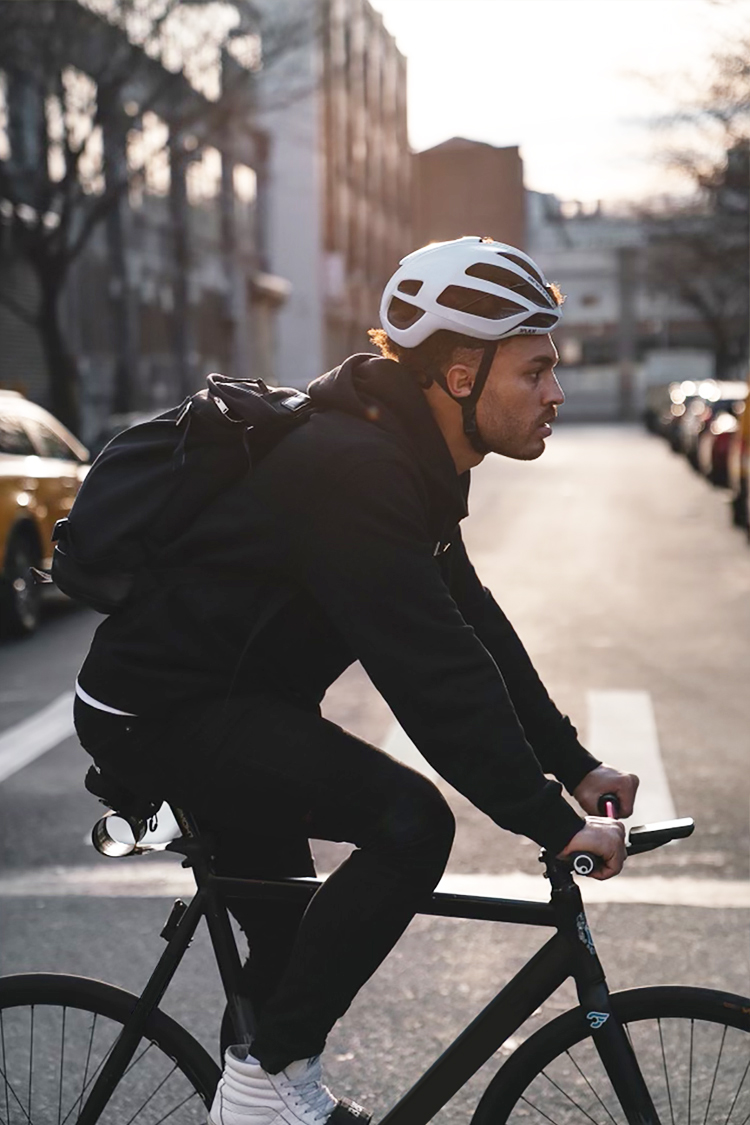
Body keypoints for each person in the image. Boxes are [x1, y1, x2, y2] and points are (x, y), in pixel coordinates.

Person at [73, 236, 638, 1125]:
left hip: (232, 705)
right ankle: (263, 1086)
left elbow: (473, 625)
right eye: (535, 371)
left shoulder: (402, 460)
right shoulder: (356, 470)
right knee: (409, 823)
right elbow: (434, 677)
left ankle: (259, 1088)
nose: (555, 392)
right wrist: (550, 819)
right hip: (163, 713)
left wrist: (575, 764)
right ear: (460, 375)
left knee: (291, 956)